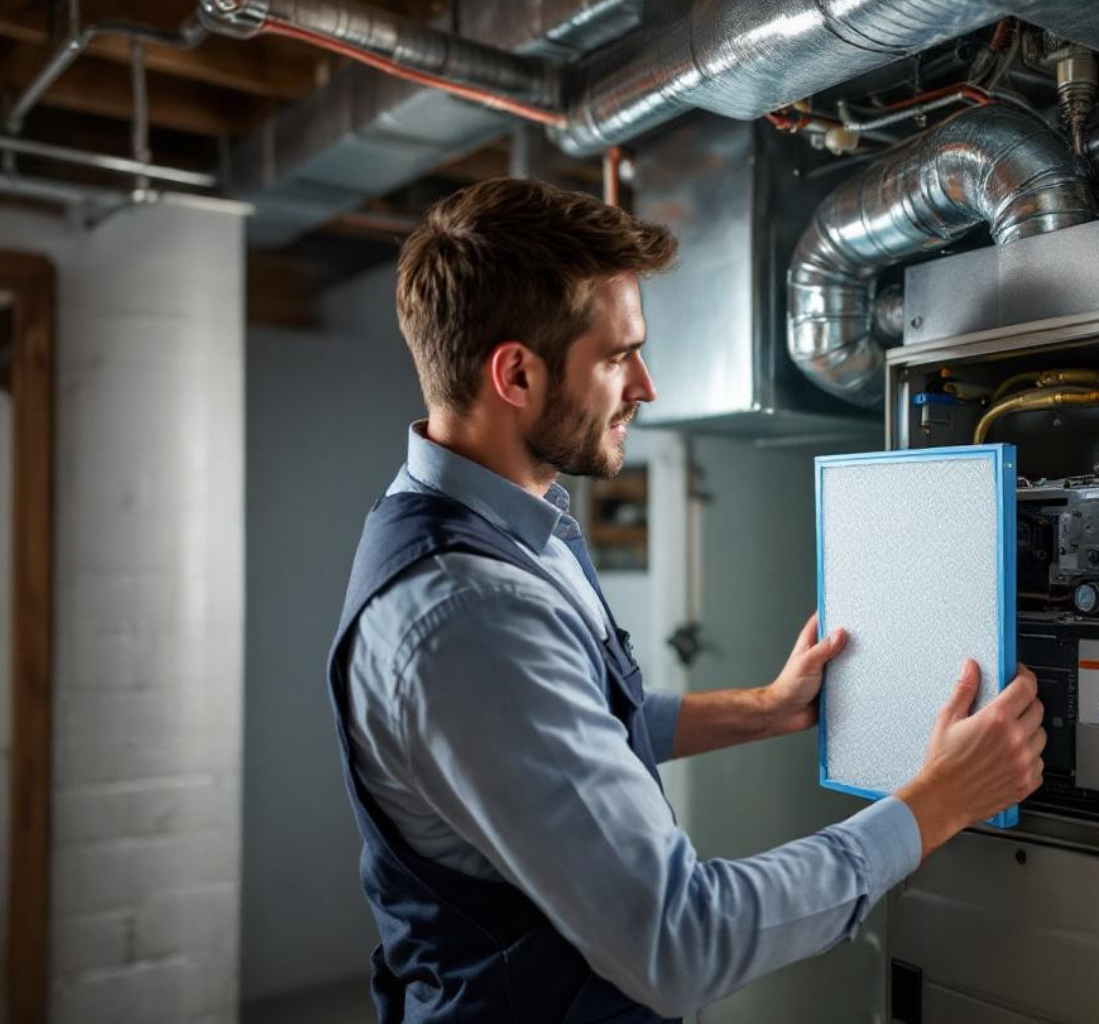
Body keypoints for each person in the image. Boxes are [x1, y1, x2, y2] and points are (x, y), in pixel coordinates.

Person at [328, 176, 1047, 1024]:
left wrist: (766, 709)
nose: (646, 385)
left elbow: (576, 721)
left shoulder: (500, 523)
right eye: (616, 354)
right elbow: (681, 943)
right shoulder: (467, 616)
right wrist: (935, 805)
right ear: (515, 373)